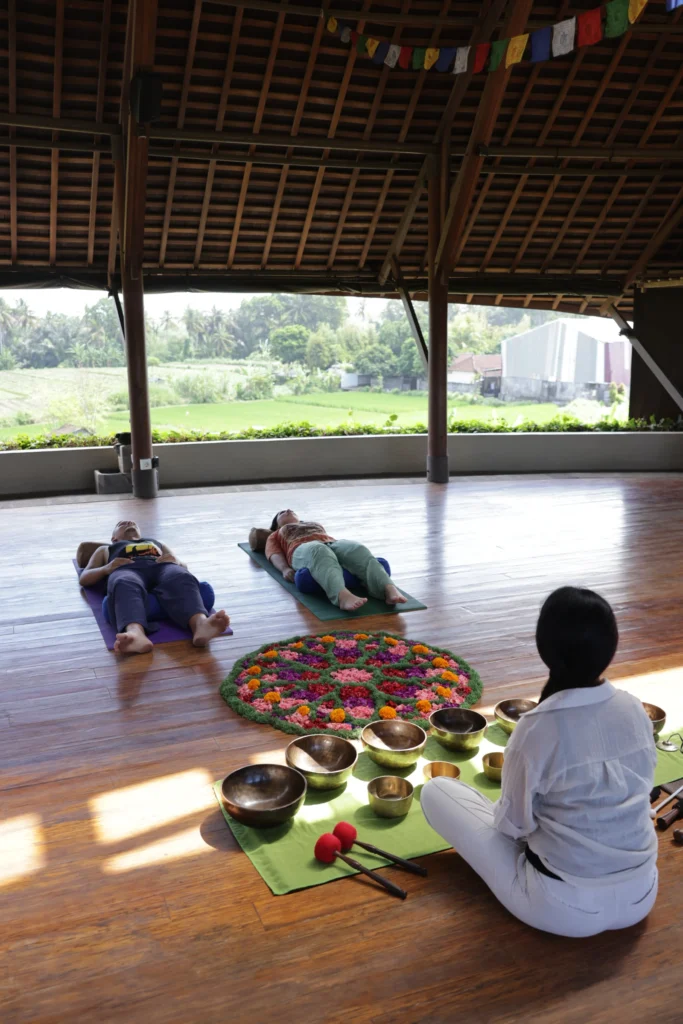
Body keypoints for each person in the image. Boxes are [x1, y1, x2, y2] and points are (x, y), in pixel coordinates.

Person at [421, 586, 658, 938]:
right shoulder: (634, 708)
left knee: (436, 791)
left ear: (544, 646)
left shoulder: (536, 727)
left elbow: (511, 827)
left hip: (562, 908)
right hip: (642, 894)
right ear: (611, 646)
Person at [79, 520, 230, 655]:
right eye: (121, 524)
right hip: (127, 570)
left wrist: (177, 561)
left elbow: (183, 566)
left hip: (162, 568)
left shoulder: (157, 543)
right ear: (114, 539)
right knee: (123, 582)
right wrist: (107, 568)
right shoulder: (105, 549)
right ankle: (135, 634)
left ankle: (200, 624)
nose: (129, 523)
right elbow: (85, 578)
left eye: (133, 523)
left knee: (181, 576)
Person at [265, 509, 406, 612]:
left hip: (331, 543)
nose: (288, 510)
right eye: (282, 512)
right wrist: (285, 569)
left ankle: (387, 589)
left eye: (291, 510)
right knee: (319, 551)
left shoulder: (311, 524)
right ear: (276, 524)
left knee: (356, 548)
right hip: (301, 548)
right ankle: (342, 596)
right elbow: (273, 553)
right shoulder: (276, 534)